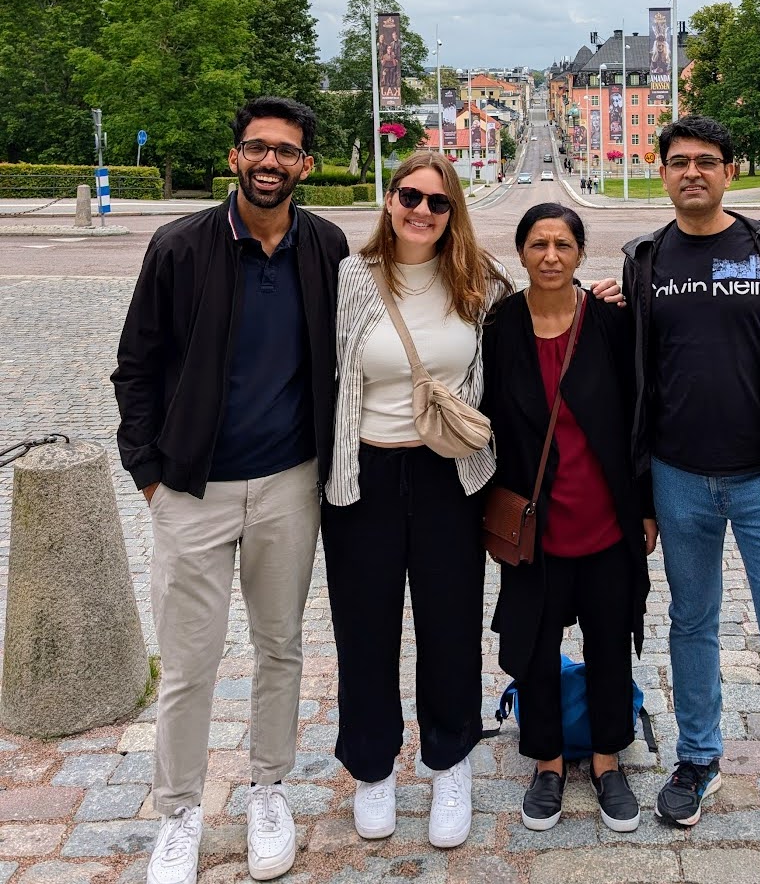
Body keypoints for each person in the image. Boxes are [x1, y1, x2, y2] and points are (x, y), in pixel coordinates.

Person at [112, 96, 349, 884]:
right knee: (188, 662)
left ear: (306, 163)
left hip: (289, 484)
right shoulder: (180, 246)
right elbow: (135, 368)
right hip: (192, 490)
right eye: (257, 148)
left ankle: (269, 788)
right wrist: (149, 474)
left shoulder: (327, 245)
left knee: (281, 645)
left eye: (286, 150)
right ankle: (179, 810)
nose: (270, 162)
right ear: (235, 156)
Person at [620, 114, 760, 879]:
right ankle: (697, 760)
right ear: (663, 173)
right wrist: (642, 488)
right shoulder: (645, 259)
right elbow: (637, 381)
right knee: (692, 624)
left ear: (730, 171)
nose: (693, 173)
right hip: (678, 478)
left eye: (707, 162)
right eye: (679, 162)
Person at [322, 152, 512, 851]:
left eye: (438, 203)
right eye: (411, 196)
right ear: (390, 200)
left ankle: (449, 761)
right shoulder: (351, 278)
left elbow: (528, 337)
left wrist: (602, 297)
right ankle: (373, 769)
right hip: (364, 476)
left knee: (450, 627)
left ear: (453, 213)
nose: (422, 212)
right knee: (365, 629)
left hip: (448, 478)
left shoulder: (478, 284)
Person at [482, 204, 656, 835]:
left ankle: (609, 761)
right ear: (521, 253)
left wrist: (646, 507)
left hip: (607, 518)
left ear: (581, 254)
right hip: (537, 527)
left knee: (611, 643)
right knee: (535, 649)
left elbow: (639, 417)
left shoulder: (610, 319)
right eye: (537, 244)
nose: (550, 256)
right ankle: (548, 763)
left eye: (562, 244)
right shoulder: (499, 325)